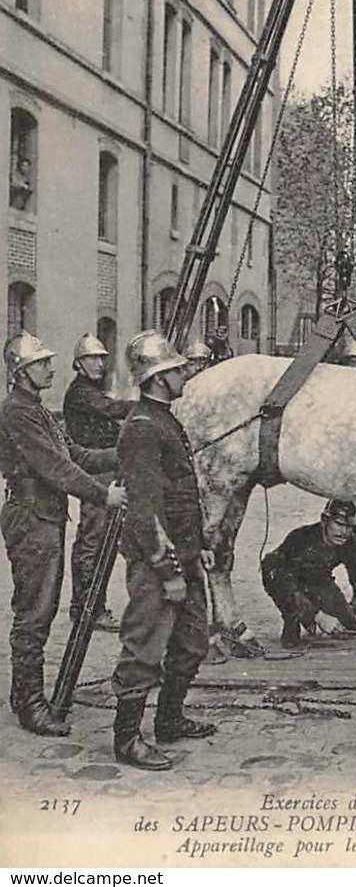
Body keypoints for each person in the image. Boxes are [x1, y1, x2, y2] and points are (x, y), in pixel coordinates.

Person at [0, 332, 127, 737]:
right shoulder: (17, 413)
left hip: (45, 516)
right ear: (20, 372)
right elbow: (55, 468)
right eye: (41, 364)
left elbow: (76, 455)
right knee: (35, 613)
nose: (50, 368)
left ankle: (25, 695)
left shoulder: (37, 409)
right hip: (30, 517)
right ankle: (31, 703)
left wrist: (125, 451)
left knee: (42, 608)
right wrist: (103, 493)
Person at [111, 330, 216, 771]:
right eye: (175, 370)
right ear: (157, 378)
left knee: (192, 642)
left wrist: (201, 546)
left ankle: (169, 720)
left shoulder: (164, 419)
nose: (184, 374)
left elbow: (182, 493)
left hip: (186, 553)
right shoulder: (141, 429)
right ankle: (127, 740)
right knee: (144, 648)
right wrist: (167, 569)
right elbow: (143, 510)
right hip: (160, 561)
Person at [63, 333, 133, 631]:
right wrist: (145, 405)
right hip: (94, 471)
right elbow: (110, 409)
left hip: (105, 468)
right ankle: (87, 609)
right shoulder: (81, 392)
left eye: (102, 358)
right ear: (78, 363)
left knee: (101, 540)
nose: (99, 363)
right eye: (93, 358)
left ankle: (90, 607)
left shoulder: (91, 390)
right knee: (93, 540)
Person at [261, 499, 356, 649]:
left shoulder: (350, 543)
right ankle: (292, 619)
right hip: (285, 583)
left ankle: (312, 617)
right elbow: (279, 581)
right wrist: (316, 616)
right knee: (292, 639)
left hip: (319, 582)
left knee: (349, 628)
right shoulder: (300, 538)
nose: (343, 532)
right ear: (325, 520)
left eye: (349, 526)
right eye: (339, 524)